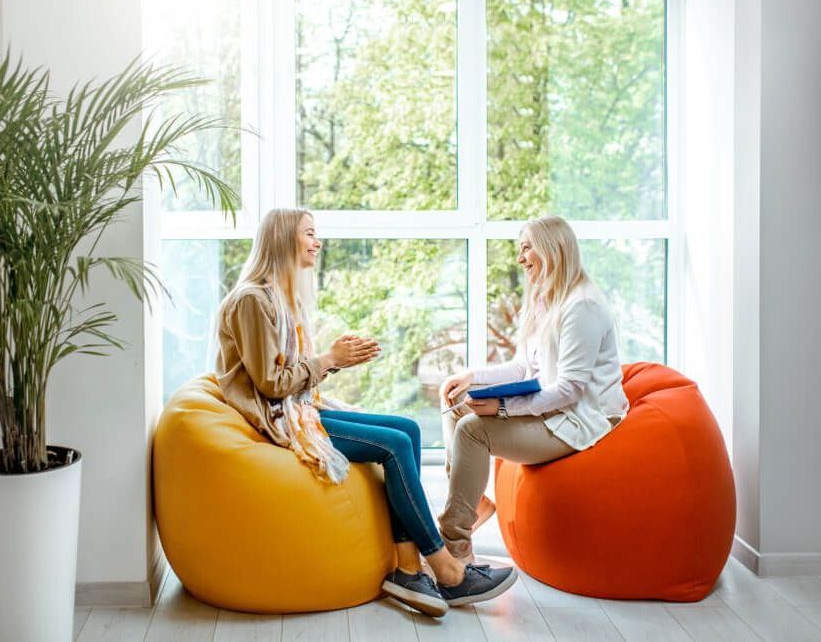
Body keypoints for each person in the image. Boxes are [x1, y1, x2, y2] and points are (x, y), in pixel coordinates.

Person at [214, 208, 517, 618]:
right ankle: (445, 568)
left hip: (296, 408)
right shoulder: (252, 299)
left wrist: (337, 361)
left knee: (407, 429)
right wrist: (328, 359)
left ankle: (409, 569)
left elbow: (292, 380)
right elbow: (270, 384)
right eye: (309, 234)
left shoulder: (280, 298)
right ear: (284, 239)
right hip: (276, 419)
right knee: (391, 446)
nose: (317, 242)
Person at [439, 215, 630, 563]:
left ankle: (454, 545)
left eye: (527, 247)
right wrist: (472, 377)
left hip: (579, 420)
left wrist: (502, 408)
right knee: (454, 401)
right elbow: (524, 368)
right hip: (557, 410)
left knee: (472, 430)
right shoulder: (546, 301)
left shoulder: (581, 306)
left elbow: (570, 389)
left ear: (551, 249)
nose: (520, 257)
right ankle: (472, 501)